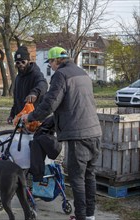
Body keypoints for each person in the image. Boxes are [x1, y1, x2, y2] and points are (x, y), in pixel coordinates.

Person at [21, 46, 102, 220]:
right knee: (89, 175)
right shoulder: (82, 73)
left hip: (78, 135)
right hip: (94, 132)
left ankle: (81, 216)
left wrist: (30, 116)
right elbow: (74, 104)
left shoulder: (61, 75)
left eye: (50, 62)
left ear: (57, 60)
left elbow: (50, 103)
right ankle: (90, 216)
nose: (50, 66)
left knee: (77, 178)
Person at [7, 45, 48, 124]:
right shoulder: (18, 78)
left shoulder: (36, 74)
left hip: (35, 118)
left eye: (23, 62)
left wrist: (34, 93)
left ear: (28, 61)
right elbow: (16, 101)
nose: (21, 65)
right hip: (22, 119)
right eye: (18, 63)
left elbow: (43, 84)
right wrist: (12, 115)